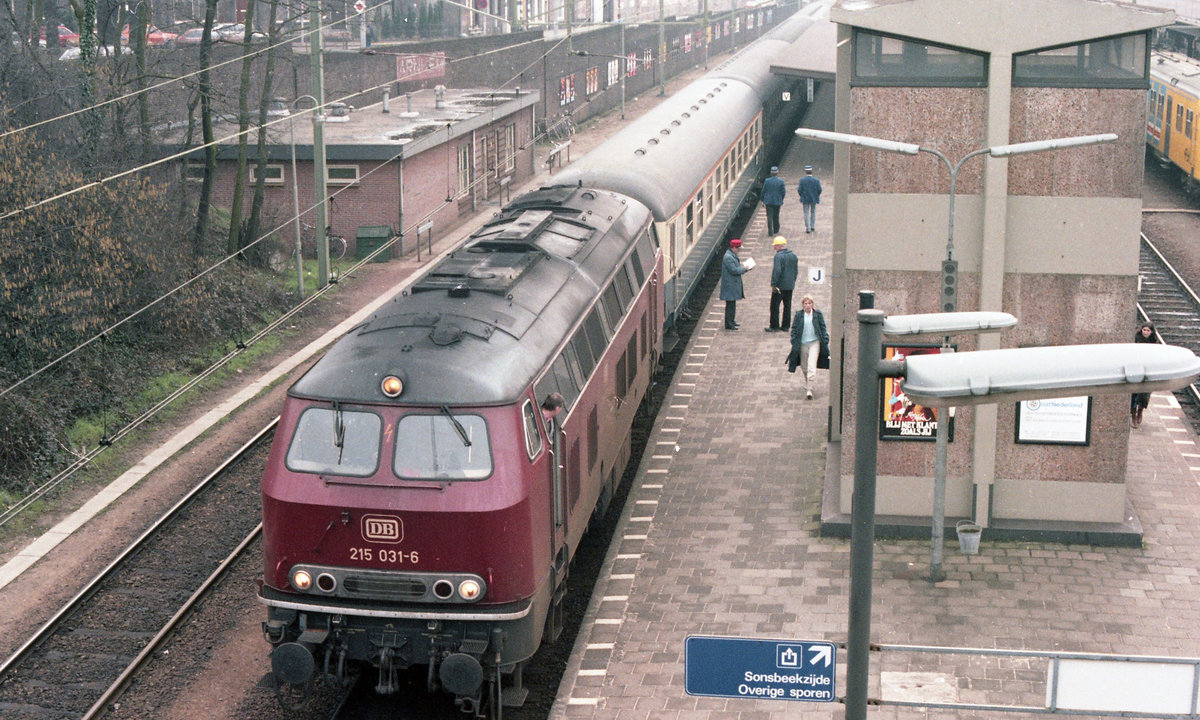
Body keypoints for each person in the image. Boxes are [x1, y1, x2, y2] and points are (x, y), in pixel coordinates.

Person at [790, 295, 828, 399]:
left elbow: (823, 327)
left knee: (812, 366)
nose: (808, 305)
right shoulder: (799, 315)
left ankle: (809, 389)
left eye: (810, 303)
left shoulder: (817, 314)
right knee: (804, 366)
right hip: (802, 343)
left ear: (812, 304)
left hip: (814, 343)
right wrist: (793, 340)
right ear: (802, 305)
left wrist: (825, 338)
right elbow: (794, 328)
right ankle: (808, 382)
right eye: (805, 303)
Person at [765, 236, 797, 332]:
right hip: (790, 285)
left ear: (779, 246)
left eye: (775, 246)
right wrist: (792, 281)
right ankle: (786, 326)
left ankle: (774, 325)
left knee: (774, 306)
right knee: (787, 306)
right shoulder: (793, 255)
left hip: (779, 285)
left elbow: (777, 271)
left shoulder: (778, 256)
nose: (774, 248)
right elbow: (795, 271)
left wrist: (773, 283)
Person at [720, 238, 751, 330]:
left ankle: (732, 322)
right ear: (733, 247)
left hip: (732, 284)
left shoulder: (731, 255)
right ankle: (729, 324)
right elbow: (734, 270)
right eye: (738, 248)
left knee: (732, 305)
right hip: (730, 285)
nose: (739, 250)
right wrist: (744, 269)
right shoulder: (728, 257)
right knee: (730, 306)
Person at [1131, 322, 1155, 428]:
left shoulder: (1154, 342)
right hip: (1136, 368)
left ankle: (1140, 410)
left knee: (1144, 393)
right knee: (1134, 393)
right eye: (1144, 330)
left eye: (1148, 330)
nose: (1146, 332)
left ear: (1151, 332)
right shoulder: (1136, 339)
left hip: (1148, 370)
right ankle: (1133, 414)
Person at [760, 166, 786, 236]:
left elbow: (763, 191)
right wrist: (781, 199)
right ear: (777, 173)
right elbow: (783, 192)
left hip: (768, 201)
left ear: (771, 173)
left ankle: (770, 231)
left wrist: (762, 200)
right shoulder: (781, 181)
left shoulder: (767, 181)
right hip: (777, 201)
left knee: (769, 216)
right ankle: (776, 229)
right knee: (776, 215)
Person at [797, 165, 822, 234]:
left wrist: (802, 195)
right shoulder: (816, 180)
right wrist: (816, 195)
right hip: (813, 198)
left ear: (805, 172)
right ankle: (812, 226)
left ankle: (807, 227)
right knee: (813, 211)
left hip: (805, 198)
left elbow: (799, 190)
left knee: (806, 212)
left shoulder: (802, 180)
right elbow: (819, 189)